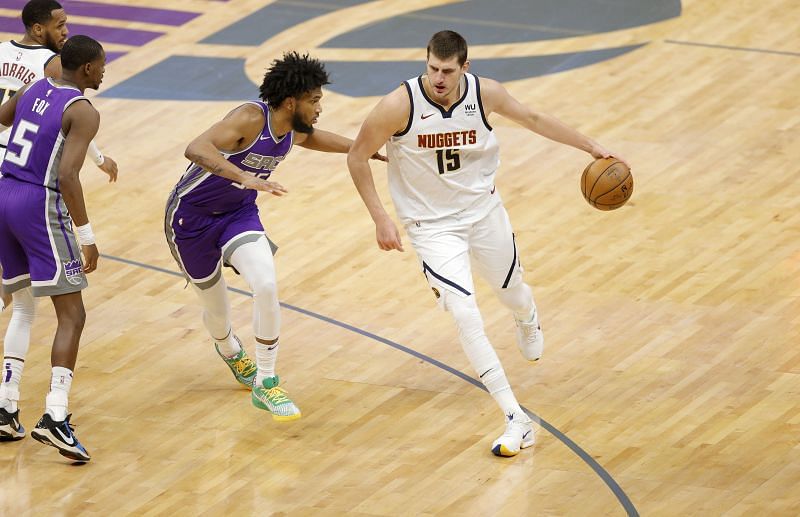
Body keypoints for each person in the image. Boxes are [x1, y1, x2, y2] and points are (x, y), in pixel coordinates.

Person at [347, 30, 627, 457]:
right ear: (425, 63)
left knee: (510, 292)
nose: (439, 78)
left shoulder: (486, 94)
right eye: (432, 69)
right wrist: (381, 217)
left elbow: (534, 119)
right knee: (465, 314)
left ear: (465, 67)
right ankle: (516, 418)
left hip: (483, 212)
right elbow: (356, 156)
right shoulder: (398, 105)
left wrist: (591, 147)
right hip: (431, 226)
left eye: (447, 70)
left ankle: (526, 314)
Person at [165, 51, 384, 421]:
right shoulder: (249, 118)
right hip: (191, 219)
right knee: (217, 314)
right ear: (290, 101)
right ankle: (231, 350)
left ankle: (266, 384)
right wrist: (242, 177)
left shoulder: (291, 128)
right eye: (314, 100)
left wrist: (360, 148)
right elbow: (196, 148)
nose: (319, 108)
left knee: (265, 284)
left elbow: (312, 138)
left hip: (238, 216)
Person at [0, 35, 107, 462]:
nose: (104, 71)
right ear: (85, 70)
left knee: (24, 305)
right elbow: (67, 176)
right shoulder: (82, 110)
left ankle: (6, 407)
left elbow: (4, 116)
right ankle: (55, 416)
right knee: (73, 314)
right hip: (37, 205)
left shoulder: (34, 86)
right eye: (101, 65)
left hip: (4, 191)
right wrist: (86, 235)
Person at [0, 0, 118, 365]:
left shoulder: (2, 51)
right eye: (60, 25)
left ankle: (8, 398)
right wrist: (100, 159)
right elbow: (67, 121)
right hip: (30, 174)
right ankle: (48, 408)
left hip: (7, 167)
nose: (65, 32)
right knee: (31, 302)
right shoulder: (51, 69)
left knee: (17, 295)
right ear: (39, 29)